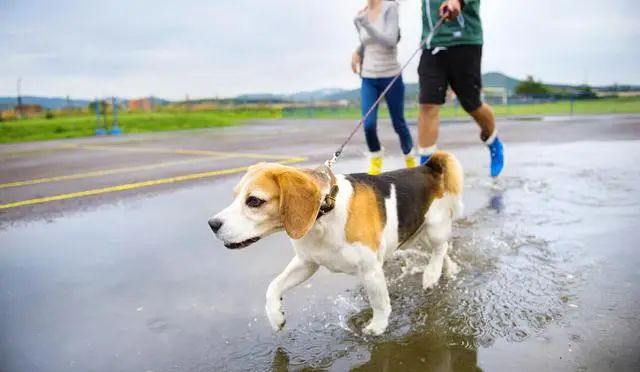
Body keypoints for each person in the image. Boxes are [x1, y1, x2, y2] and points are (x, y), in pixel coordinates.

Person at [417, 0, 504, 177]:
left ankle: (493, 140)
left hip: (465, 41)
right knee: (428, 104)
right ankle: (425, 171)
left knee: (472, 104)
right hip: (431, 42)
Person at [352, 0, 416, 175]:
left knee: (398, 123)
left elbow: (390, 41)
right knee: (368, 124)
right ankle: (376, 158)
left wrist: (366, 24)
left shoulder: (390, 8)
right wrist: (357, 52)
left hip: (390, 75)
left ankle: (410, 159)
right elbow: (366, 42)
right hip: (368, 77)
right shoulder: (363, 13)